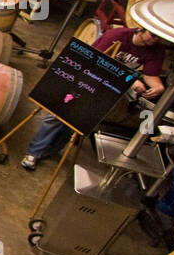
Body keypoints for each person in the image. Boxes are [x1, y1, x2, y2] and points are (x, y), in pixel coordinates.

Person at [21, 26, 166, 169]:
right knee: (57, 115)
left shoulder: (157, 50)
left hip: (107, 90)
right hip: (86, 79)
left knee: (77, 122)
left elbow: (151, 75)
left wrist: (158, 86)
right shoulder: (117, 36)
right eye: (152, 35)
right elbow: (95, 61)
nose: (154, 40)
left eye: (158, 38)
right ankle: (34, 152)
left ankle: (51, 150)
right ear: (141, 29)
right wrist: (129, 79)